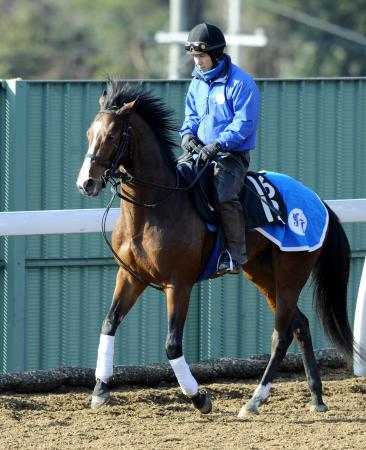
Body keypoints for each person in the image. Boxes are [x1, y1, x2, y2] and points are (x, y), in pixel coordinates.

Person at [180, 22, 260, 275]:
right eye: (194, 57)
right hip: (200, 152)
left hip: (231, 157)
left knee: (224, 195)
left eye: (202, 56)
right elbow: (191, 116)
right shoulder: (196, 84)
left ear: (215, 54)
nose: (198, 62)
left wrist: (218, 144)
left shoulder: (241, 83)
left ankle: (234, 255)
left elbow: (244, 123)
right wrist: (187, 136)